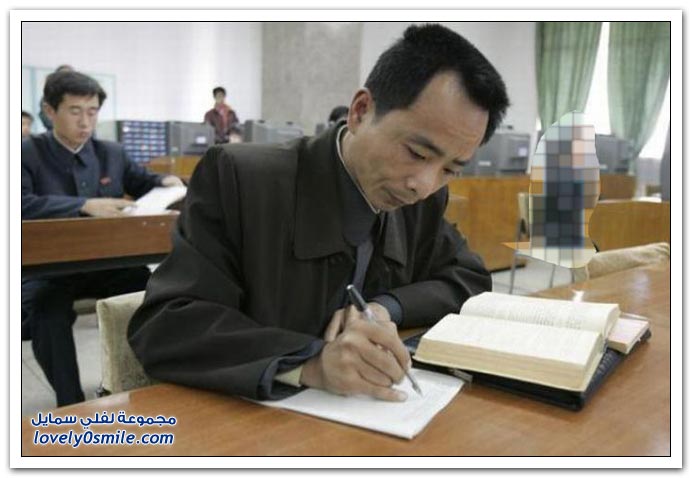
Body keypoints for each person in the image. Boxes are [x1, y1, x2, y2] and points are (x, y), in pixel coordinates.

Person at [129, 24, 509, 403]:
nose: (423, 185)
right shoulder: (241, 179)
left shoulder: (423, 201)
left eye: (450, 169)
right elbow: (167, 324)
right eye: (417, 153)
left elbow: (467, 278)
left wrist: (385, 307)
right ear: (361, 111)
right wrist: (313, 362)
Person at [21, 70, 184, 406]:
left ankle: (151, 383)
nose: (85, 122)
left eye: (92, 112)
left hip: (107, 264)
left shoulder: (111, 152)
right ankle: (69, 403)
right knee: (46, 311)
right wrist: (83, 205)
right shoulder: (26, 153)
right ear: (50, 111)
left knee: (153, 290)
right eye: (75, 111)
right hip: (49, 269)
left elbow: (143, 181)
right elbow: (20, 203)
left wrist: (165, 183)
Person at [38, 64, 74, 131]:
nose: (67, 79)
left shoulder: (78, 95)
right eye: (63, 76)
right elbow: (45, 117)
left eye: (70, 76)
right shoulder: (48, 96)